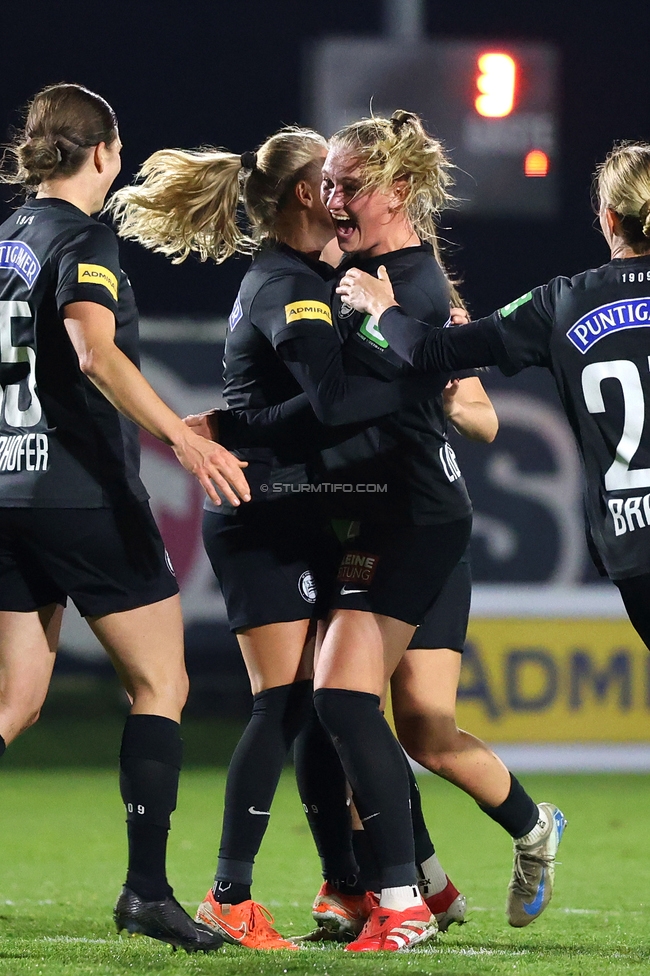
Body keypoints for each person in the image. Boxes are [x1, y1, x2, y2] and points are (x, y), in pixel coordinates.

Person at [108, 126, 453, 951]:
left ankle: (365, 883)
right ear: (308, 194)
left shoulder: (308, 278)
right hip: (260, 512)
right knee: (291, 703)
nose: (341, 202)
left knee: (318, 706)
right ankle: (234, 895)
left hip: (292, 508)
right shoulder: (289, 287)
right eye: (329, 184)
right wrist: (421, 370)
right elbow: (332, 406)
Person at [0, 83, 251, 953]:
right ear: (103, 154)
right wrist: (181, 443)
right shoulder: (82, 239)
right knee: (161, 686)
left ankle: (148, 892)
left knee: (14, 702)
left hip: (7, 493)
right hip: (83, 495)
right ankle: (146, 892)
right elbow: (93, 349)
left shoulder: (3, 243)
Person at [335, 138, 650, 645]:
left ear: (608, 219)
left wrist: (382, 308)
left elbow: (429, 352)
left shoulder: (562, 305)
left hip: (632, 548)